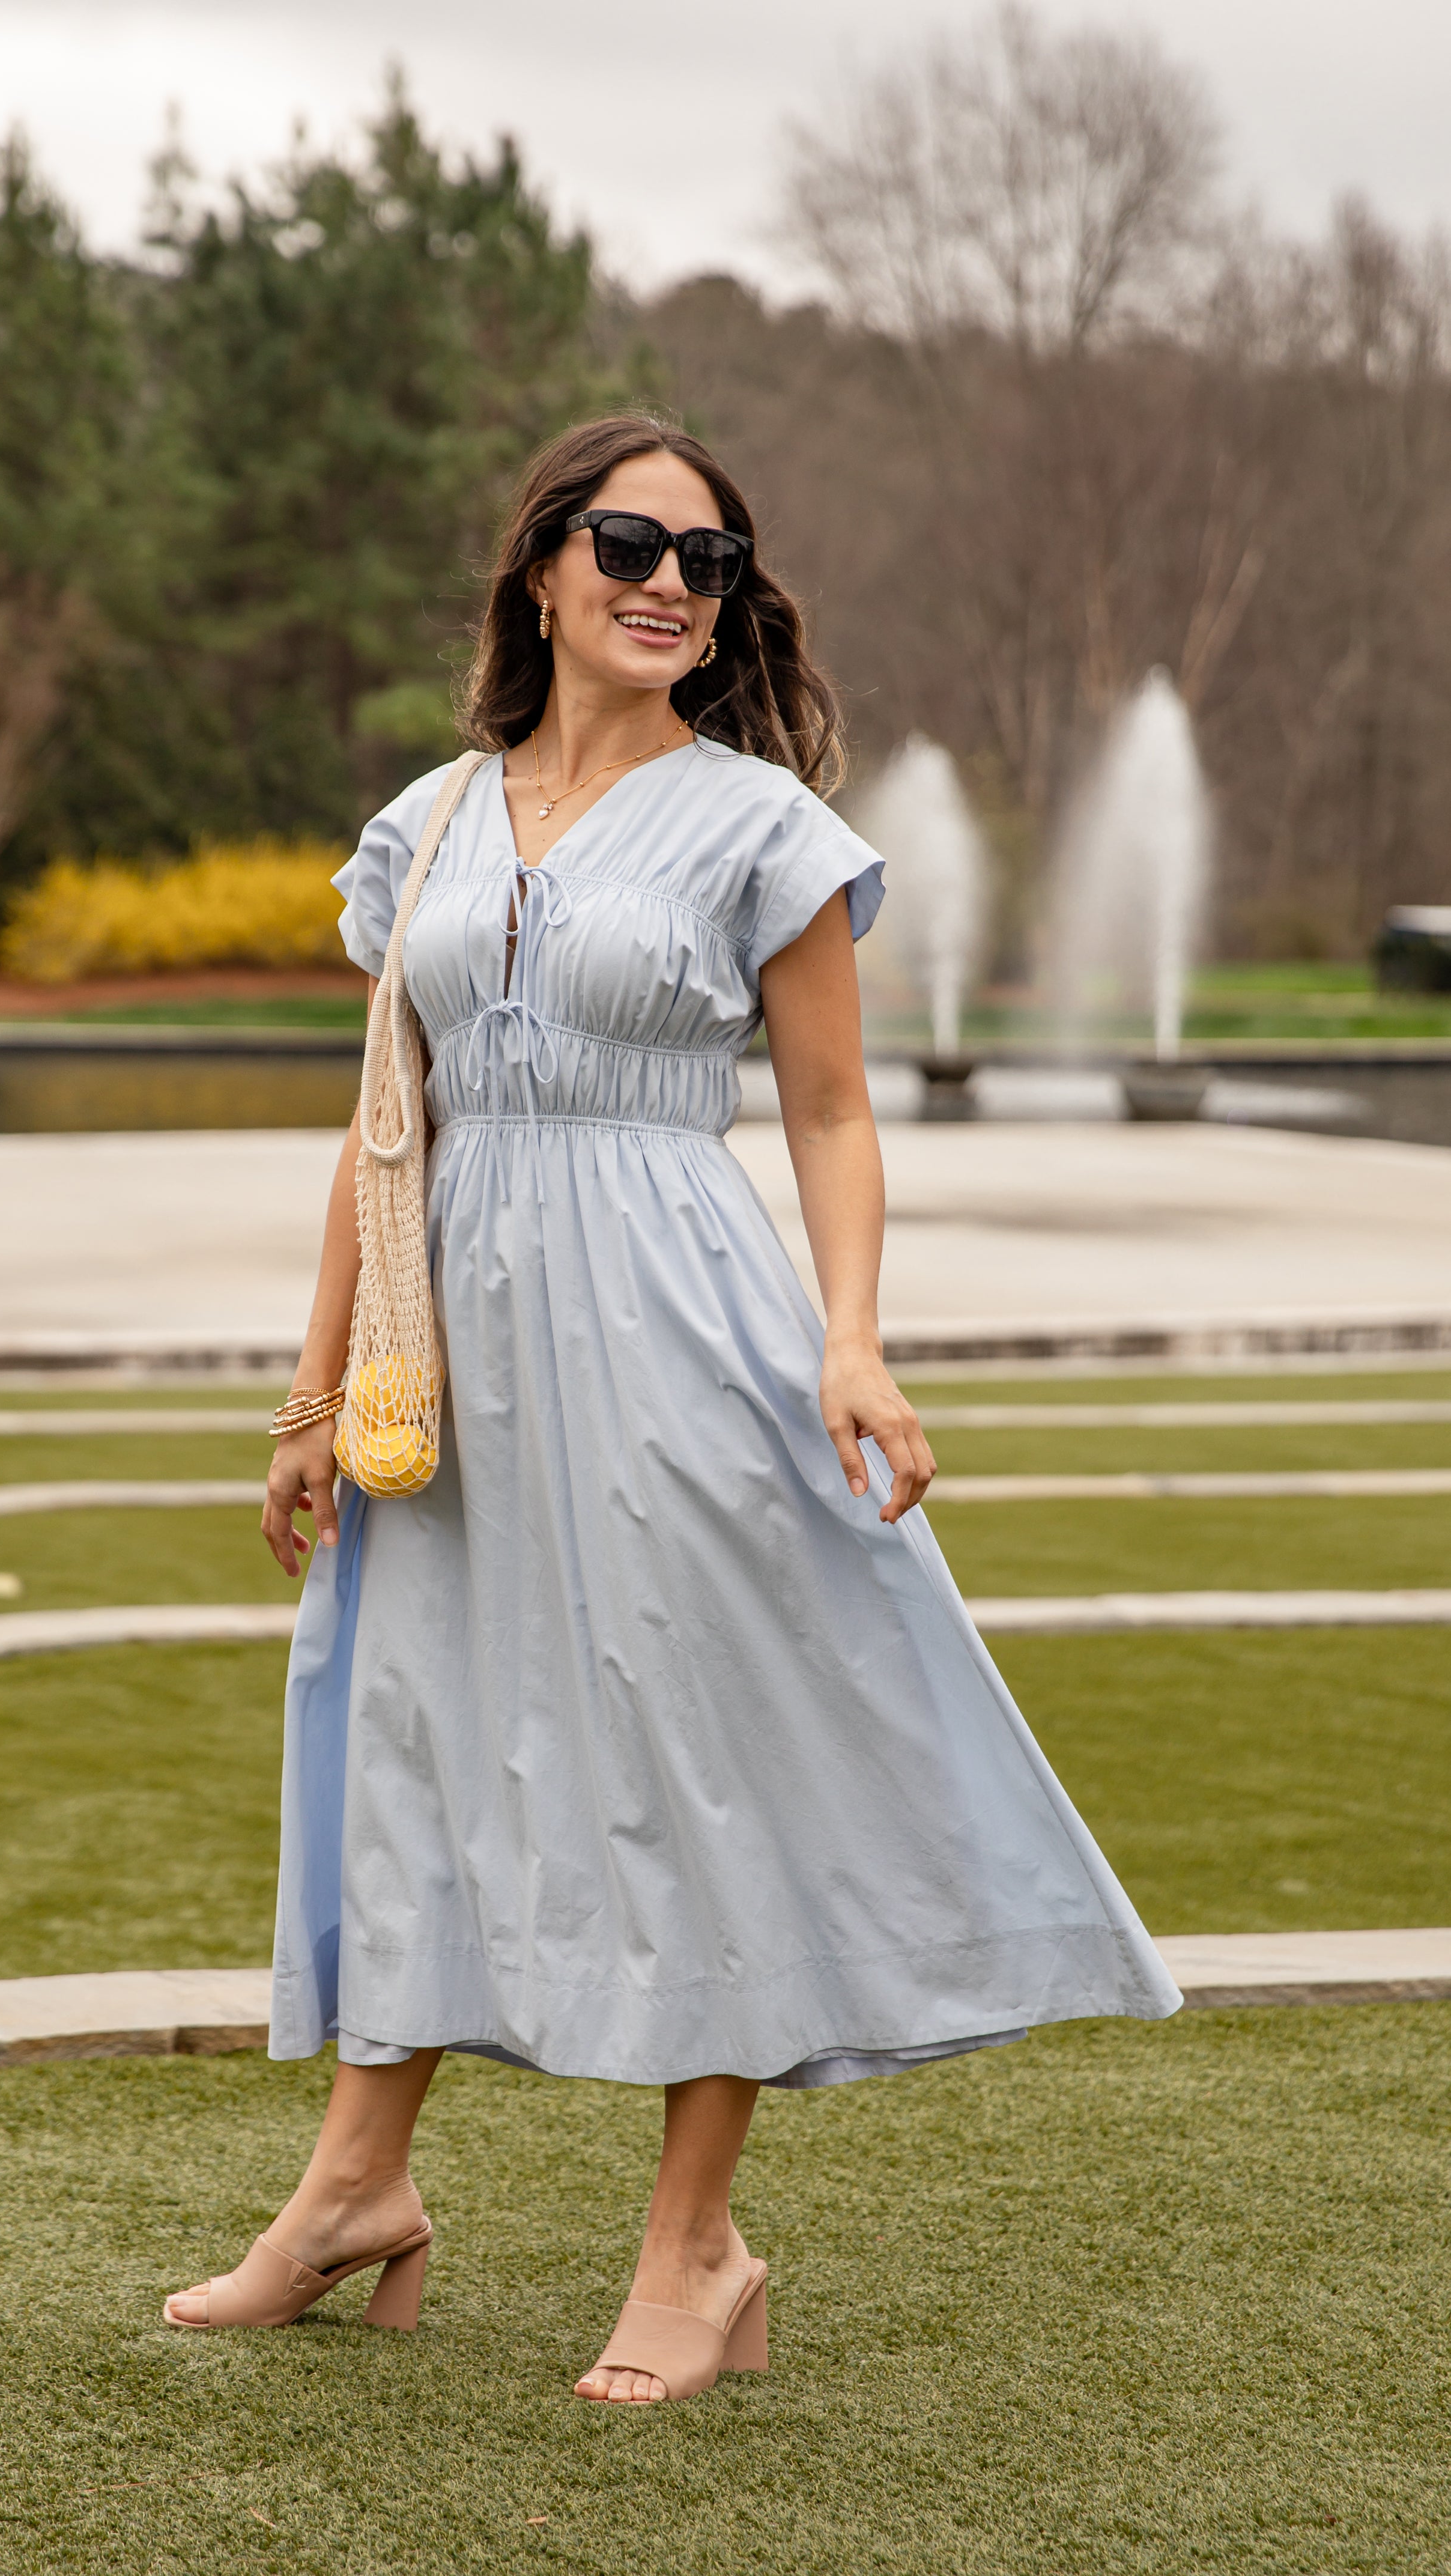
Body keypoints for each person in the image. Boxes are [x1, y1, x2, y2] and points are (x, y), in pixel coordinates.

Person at [163, 415, 1181, 2398]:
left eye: (704, 563)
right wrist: (313, 1387)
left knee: (692, 1755)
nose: (664, 583)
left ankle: (695, 2247)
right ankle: (353, 2192)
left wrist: (857, 1337)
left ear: (728, 610)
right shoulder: (432, 822)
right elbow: (389, 1118)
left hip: (674, 1330)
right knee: (414, 1731)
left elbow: (824, 1107)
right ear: (541, 565)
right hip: (449, 1361)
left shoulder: (764, 828)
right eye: (626, 542)